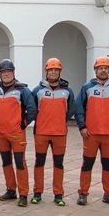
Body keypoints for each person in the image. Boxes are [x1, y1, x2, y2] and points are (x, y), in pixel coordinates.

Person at [74, 56, 109, 206]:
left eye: (106, 68)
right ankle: (83, 193)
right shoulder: (87, 88)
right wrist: (82, 126)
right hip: (91, 134)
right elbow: (79, 108)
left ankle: (108, 194)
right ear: (95, 70)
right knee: (87, 164)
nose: (103, 70)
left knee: (108, 165)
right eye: (100, 68)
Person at [0, 59, 36, 207]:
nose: (6, 74)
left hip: (17, 133)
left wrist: (23, 124)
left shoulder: (23, 90)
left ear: (13, 72)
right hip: (1, 133)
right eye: (3, 72)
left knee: (20, 163)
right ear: (0, 74)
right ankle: (11, 189)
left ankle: (23, 194)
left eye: (8, 71)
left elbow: (32, 109)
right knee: (6, 162)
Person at [31, 58, 75, 206]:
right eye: (51, 69)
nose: (54, 72)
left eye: (56, 69)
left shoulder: (67, 91)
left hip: (60, 133)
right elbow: (32, 109)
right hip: (41, 132)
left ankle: (58, 194)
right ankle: (37, 192)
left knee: (59, 164)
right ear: (46, 71)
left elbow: (71, 109)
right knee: (39, 163)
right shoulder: (38, 91)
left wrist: (61, 119)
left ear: (60, 71)